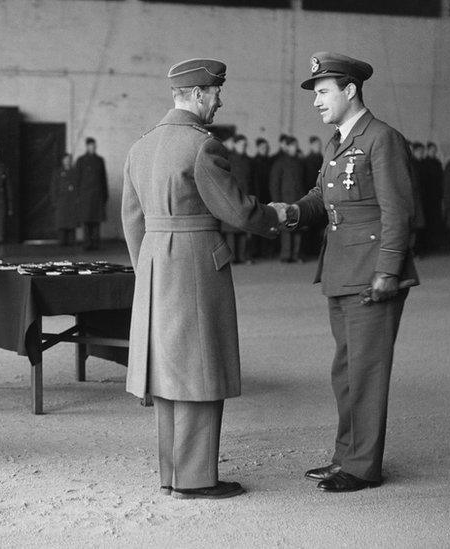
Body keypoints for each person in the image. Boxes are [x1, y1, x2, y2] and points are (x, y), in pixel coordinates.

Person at [122, 58, 282, 500]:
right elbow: (236, 209)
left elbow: (131, 221)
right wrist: (279, 218)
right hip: (195, 262)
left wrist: (149, 269)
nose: (219, 100)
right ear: (195, 95)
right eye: (214, 93)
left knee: (169, 374)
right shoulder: (202, 146)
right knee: (200, 370)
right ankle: (195, 480)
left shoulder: (141, 146)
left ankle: (172, 475)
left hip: (155, 264)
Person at [276, 52, 418, 492]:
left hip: (371, 273)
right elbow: (322, 197)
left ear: (350, 90)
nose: (316, 102)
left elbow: (399, 211)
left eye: (322, 92)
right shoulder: (337, 142)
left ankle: (362, 467)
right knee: (346, 371)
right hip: (340, 269)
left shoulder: (381, 139)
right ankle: (346, 456)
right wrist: (290, 213)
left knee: (367, 372)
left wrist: (388, 272)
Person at [269, 135, 306, 263]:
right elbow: (274, 183)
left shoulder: (299, 162)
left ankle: (296, 254)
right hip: (284, 199)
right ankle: (286, 255)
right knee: (286, 228)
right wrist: (277, 201)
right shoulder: (279, 163)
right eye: (294, 146)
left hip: (298, 199)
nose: (296, 148)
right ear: (288, 147)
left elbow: (303, 182)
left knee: (298, 227)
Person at [222, 134, 253, 263]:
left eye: (245, 145)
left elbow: (253, 181)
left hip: (246, 197)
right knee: (231, 231)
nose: (243, 147)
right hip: (231, 198)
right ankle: (233, 257)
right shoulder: (227, 160)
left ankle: (243, 256)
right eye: (241, 144)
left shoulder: (248, 161)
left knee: (244, 229)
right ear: (235, 145)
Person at [75, 137, 108, 251]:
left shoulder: (99, 160)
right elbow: (77, 179)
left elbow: (103, 179)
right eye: (91, 146)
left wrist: (105, 195)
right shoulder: (81, 161)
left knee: (96, 221)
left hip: (97, 195)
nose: (93, 148)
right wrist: (77, 196)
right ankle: (87, 243)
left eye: (94, 146)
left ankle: (95, 243)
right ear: (87, 146)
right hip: (85, 196)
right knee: (86, 221)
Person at [50, 153, 79, 246]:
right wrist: (55, 201)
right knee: (62, 224)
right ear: (62, 161)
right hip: (61, 202)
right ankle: (62, 243)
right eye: (65, 159)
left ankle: (71, 242)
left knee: (72, 224)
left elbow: (78, 185)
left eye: (69, 159)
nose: (67, 161)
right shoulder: (57, 172)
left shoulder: (75, 172)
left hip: (72, 202)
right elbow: (54, 187)